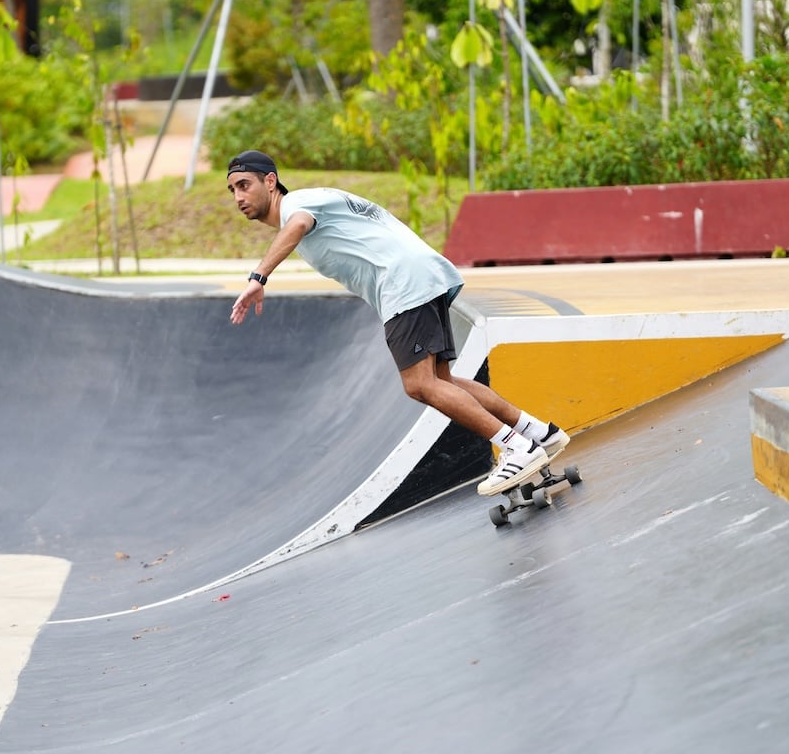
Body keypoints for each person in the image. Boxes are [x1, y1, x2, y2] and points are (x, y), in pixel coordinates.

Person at [226, 150, 570, 496]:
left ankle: (517, 448)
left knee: (419, 385)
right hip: (423, 276)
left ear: (270, 181)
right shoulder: (318, 199)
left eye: (244, 185)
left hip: (403, 283)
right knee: (441, 380)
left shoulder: (296, 205)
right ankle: (539, 432)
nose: (239, 197)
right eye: (233, 191)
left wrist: (259, 277)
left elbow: (298, 225)